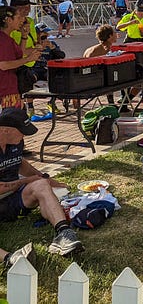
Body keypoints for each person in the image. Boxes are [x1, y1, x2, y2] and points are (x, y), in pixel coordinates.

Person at [0, 108, 83, 255]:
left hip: (13, 198)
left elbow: (20, 163)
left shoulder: (15, 142)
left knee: (41, 184)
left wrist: (50, 181)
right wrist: (26, 181)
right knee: (34, 182)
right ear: (6, 130)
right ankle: (9, 258)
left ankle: (64, 233)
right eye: (22, 131)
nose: (24, 136)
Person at [0, 7, 41, 110]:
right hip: (6, 89)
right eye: (18, 18)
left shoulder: (7, 39)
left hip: (9, 87)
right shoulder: (4, 41)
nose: (22, 20)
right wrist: (28, 59)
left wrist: (24, 36)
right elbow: (4, 65)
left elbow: (19, 53)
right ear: (9, 20)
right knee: (11, 121)